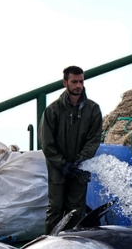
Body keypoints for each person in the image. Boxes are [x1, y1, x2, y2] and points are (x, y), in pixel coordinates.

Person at [40, 65, 103, 234]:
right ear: (65, 83)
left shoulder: (93, 109)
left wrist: (80, 160)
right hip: (57, 168)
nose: (78, 86)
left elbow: (94, 138)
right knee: (55, 209)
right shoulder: (52, 110)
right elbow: (47, 143)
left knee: (76, 210)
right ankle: (50, 246)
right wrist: (62, 165)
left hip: (80, 167)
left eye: (81, 81)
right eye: (74, 81)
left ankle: (72, 246)